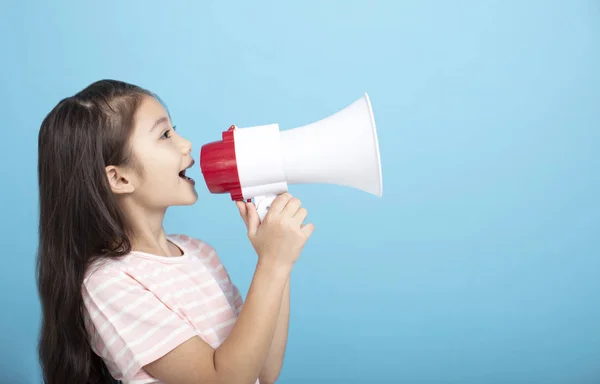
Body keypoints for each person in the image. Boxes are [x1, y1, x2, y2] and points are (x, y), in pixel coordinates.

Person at [36, 79, 314, 384]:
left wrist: (277, 260)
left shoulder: (199, 252)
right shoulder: (108, 283)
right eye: (165, 134)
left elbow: (264, 370)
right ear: (119, 178)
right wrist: (272, 264)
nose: (186, 144)